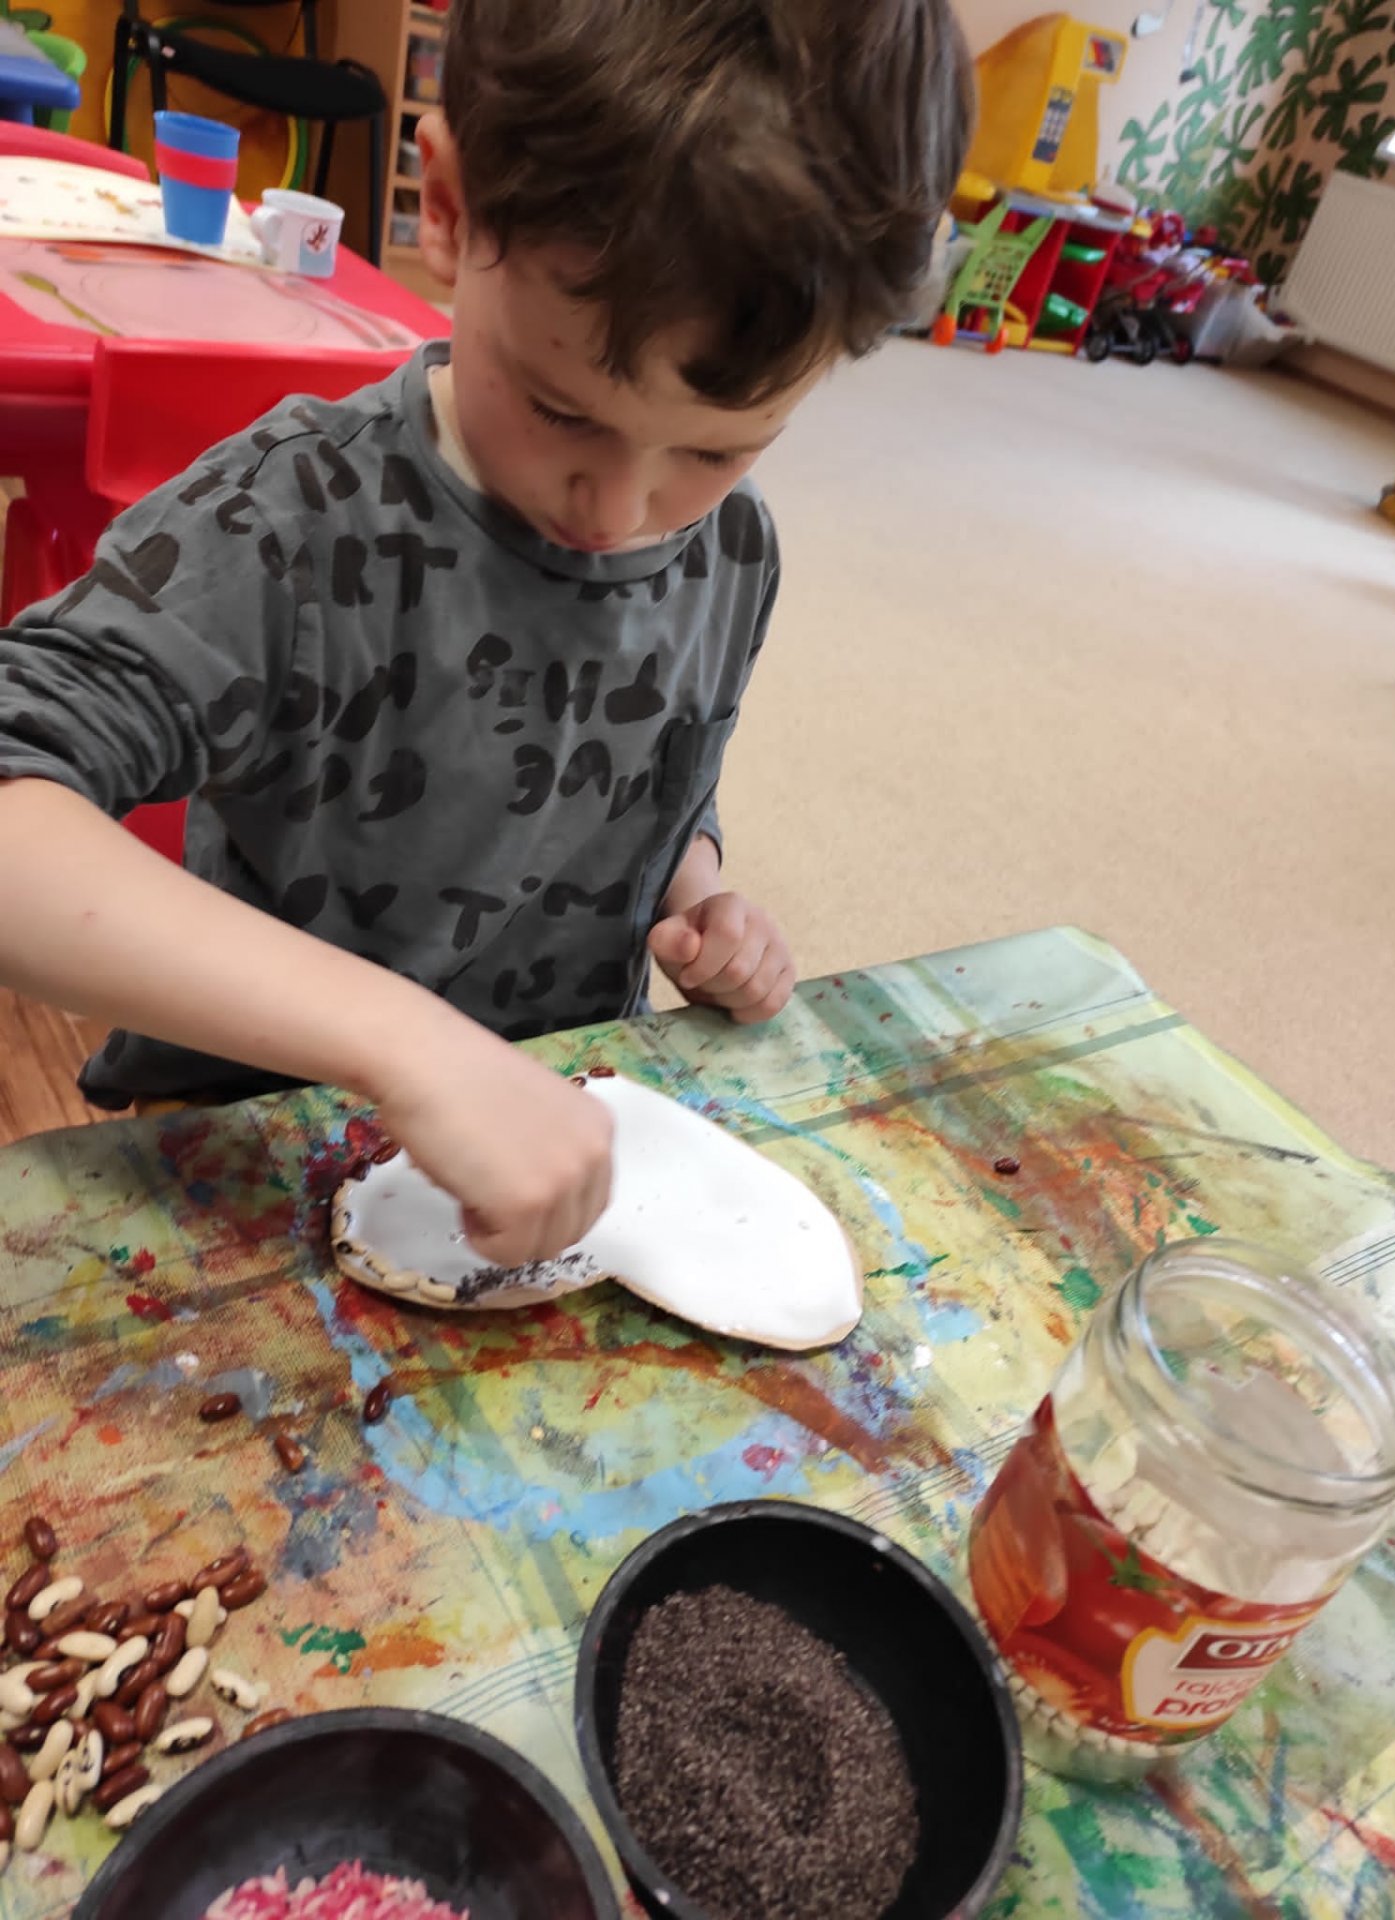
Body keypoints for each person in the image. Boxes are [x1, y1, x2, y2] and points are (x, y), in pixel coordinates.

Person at [0, 0, 971, 1268]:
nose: (618, 512)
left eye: (717, 449)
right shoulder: (291, 523)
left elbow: (650, 781)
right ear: (451, 209)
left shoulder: (733, 548)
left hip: (557, 1168)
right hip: (256, 1165)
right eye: (564, 412)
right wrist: (405, 1046)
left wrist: (699, 894)